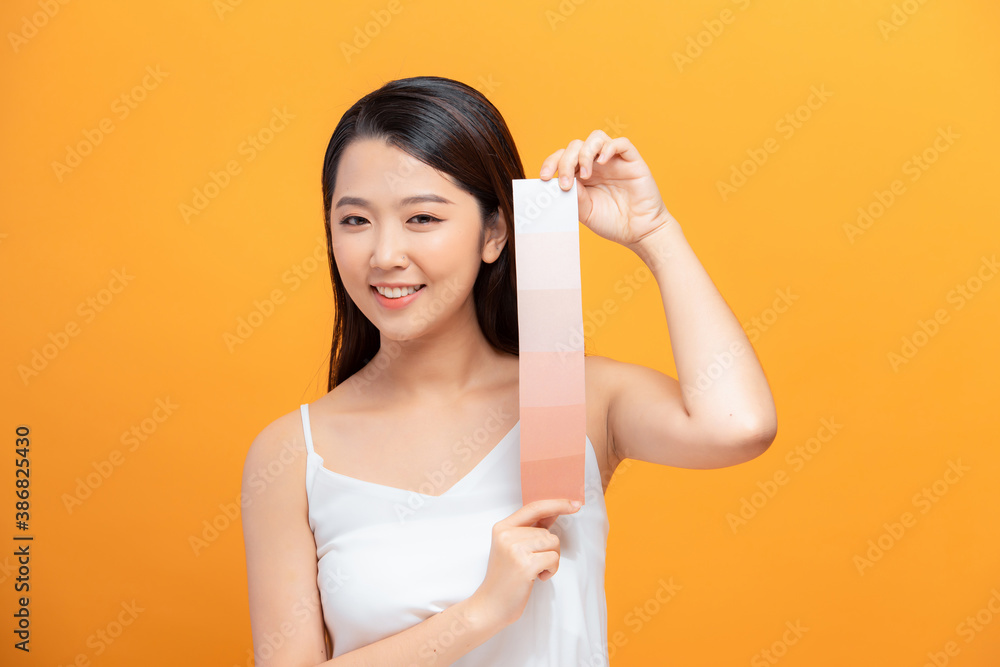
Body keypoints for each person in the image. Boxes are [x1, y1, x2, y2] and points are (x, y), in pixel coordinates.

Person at [240, 75, 777, 666]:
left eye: (422, 218)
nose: (385, 254)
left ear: (494, 231)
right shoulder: (293, 455)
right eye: (355, 220)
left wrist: (654, 232)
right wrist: (481, 612)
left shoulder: (572, 397)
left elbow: (740, 426)